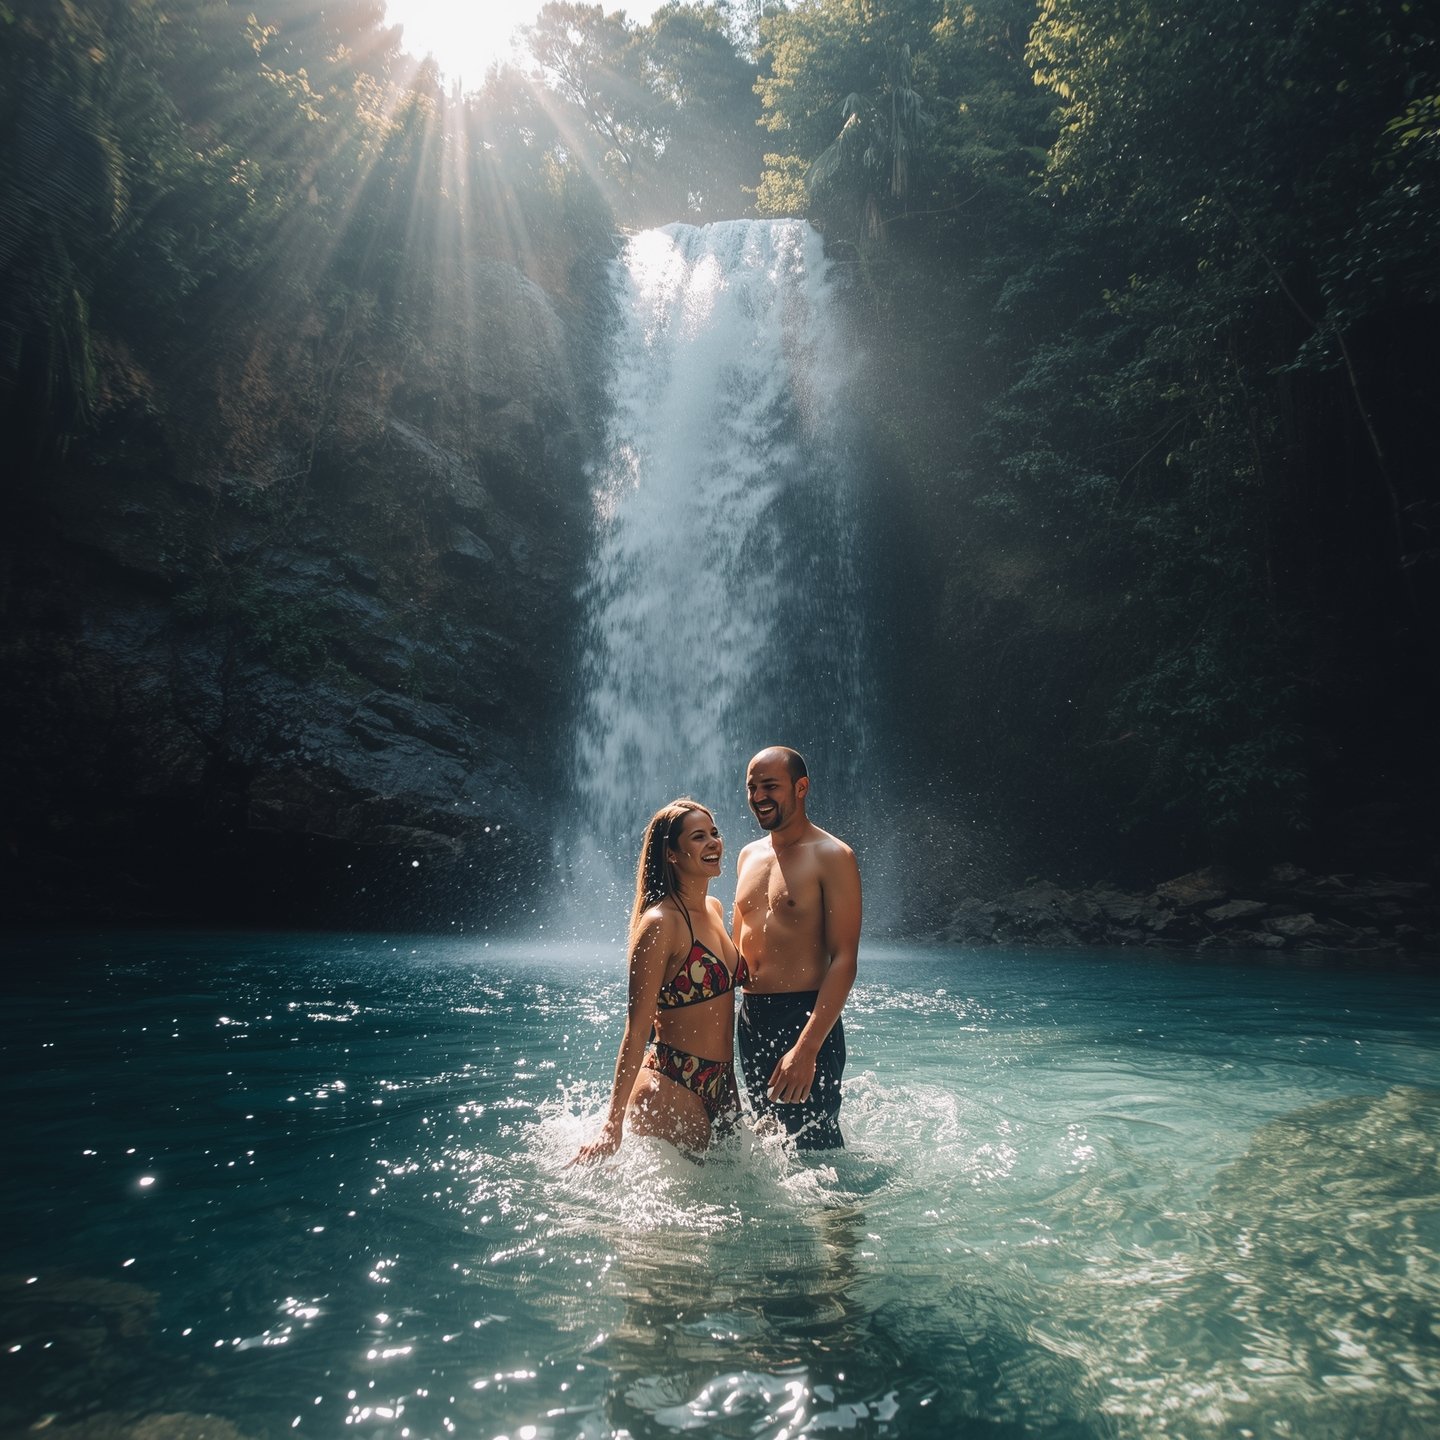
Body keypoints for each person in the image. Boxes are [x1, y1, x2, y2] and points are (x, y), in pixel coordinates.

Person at [572, 799, 745, 1163]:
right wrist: (611, 1125)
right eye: (699, 837)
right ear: (671, 854)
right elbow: (636, 1030)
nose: (714, 842)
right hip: (672, 1084)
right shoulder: (660, 923)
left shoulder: (714, 909)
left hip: (721, 1083)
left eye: (714, 833)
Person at [732, 746, 861, 1150]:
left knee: (818, 1152)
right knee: (769, 1149)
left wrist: (806, 1049)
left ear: (801, 787)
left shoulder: (833, 856)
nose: (758, 797)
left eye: (770, 786)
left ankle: (841, 1215)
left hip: (803, 1017)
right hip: (750, 1020)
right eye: (752, 788)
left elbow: (844, 960)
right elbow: (736, 955)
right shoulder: (747, 856)